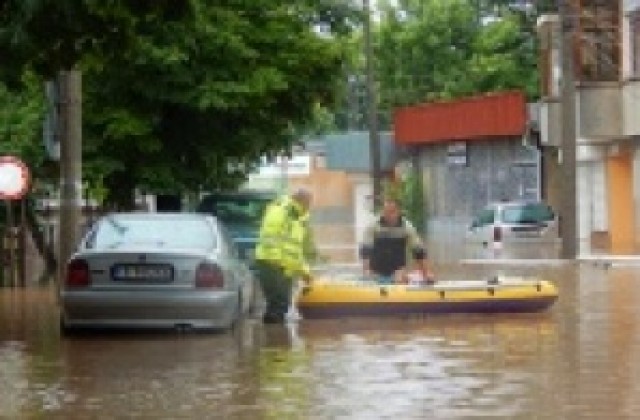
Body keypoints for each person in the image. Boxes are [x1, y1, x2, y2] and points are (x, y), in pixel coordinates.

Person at [254, 187, 315, 323]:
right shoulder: (281, 211)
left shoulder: (298, 218)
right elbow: (270, 236)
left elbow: (295, 251)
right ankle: (275, 340)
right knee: (277, 305)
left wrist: (305, 272)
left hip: (283, 268)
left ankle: (274, 338)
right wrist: (274, 260)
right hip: (272, 264)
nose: (310, 207)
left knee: (281, 304)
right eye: (309, 203)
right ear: (302, 201)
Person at [359, 197, 434, 285]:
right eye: (385, 212)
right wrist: (367, 271)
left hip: (398, 271)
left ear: (399, 212)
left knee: (400, 278)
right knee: (369, 275)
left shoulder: (407, 227)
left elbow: (418, 251)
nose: (388, 215)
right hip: (375, 270)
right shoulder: (373, 226)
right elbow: (365, 250)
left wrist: (426, 274)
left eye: (392, 212)